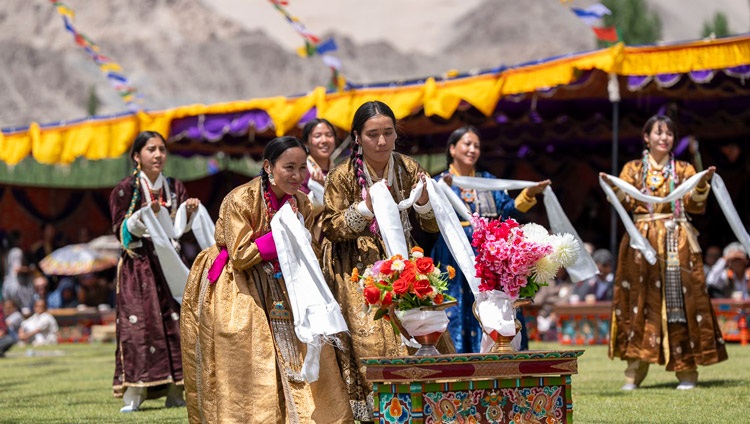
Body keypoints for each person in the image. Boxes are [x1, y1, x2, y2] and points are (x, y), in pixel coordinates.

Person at [181, 136, 352, 423]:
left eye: (301, 168)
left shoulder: (300, 202)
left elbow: (306, 244)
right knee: (248, 353)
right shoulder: (241, 199)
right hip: (237, 281)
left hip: (284, 278)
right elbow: (240, 254)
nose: (297, 176)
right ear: (268, 167)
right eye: (289, 168)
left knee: (305, 345)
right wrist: (284, 236)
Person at [321, 100, 443, 422]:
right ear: (357, 137)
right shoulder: (341, 175)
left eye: (388, 133)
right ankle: (378, 411)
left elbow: (432, 226)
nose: (382, 142)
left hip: (405, 261)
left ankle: (424, 406)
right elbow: (331, 229)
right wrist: (363, 210)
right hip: (357, 270)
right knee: (370, 340)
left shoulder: (409, 168)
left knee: (422, 331)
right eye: (373, 134)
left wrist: (426, 204)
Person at [602, 114, 727, 391]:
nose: (664, 137)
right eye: (658, 133)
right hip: (640, 243)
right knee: (639, 301)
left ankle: (687, 371)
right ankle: (633, 373)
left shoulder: (683, 169)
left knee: (680, 303)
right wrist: (613, 186)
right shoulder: (632, 169)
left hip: (676, 240)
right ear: (646, 137)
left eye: (669, 133)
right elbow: (625, 201)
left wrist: (703, 183)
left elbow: (694, 205)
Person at [430, 125, 550, 353]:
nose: (472, 149)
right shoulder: (439, 182)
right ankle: (455, 356)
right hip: (452, 254)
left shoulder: (487, 181)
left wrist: (529, 194)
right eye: (467, 144)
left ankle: (497, 352)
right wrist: (438, 192)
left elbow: (507, 210)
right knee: (457, 304)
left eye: (476, 145)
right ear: (452, 149)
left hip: (487, 256)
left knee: (493, 302)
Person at [109, 130, 201, 412]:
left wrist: (189, 212)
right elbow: (120, 230)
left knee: (176, 323)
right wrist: (143, 215)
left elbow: (179, 230)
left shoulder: (175, 187)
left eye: (162, 149)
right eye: (151, 149)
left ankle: (176, 391)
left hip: (170, 265)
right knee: (140, 327)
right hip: (138, 268)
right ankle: (134, 394)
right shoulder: (125, 189)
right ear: (137, 156)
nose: (158, 154)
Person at [299, 118, 338, 258]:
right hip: (311, 243)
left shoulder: (340, 172)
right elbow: (298, 209)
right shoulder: (301, 170)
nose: (324, 140)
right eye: (317, 136)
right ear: (307, 142)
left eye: (329, 135)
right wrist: (318, 191)